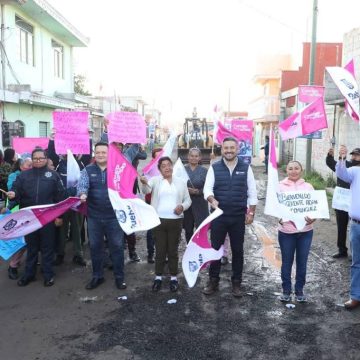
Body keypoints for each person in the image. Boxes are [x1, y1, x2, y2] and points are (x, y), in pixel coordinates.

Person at [202, 137, 257, 297]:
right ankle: (213, 281)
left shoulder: (246, 168)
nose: (229, 151)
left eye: (232, 148)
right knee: (215, 249)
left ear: (238, 149)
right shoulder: (215, 167)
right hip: (219, 216)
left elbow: (252, 192)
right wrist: (212, 199)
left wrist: (251, 212)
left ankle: (236, 283)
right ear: (222, 149)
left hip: (238, 216)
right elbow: (207, 189)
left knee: (238, 250)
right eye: (226, 148)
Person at [7, 148, 65, 287]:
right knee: (32, 247)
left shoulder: (54, 175)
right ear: (31, 160)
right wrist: (13, 195)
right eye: (35, 159)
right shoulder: (23, 176)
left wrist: (59, 216)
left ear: (46, 159)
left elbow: (60, 198)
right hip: (29, 218)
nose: (38, 161)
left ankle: (48, 274)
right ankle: (29, 274)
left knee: (47, 247)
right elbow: (16, 191)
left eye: (41, 158)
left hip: (48, 217)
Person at [140, 157, 191, 292]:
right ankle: (158, 278)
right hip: (158, 221)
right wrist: (144, 183)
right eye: (163, 166)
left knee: (173, 251)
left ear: (172, 166)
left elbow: (188, 200)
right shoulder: (155, 180)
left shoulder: (180, 182)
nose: (167, 168)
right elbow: (146, 191)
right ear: (159, 169)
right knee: (160, 251)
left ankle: (173, 278)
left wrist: (182, 206)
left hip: (175, 221)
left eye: (169, 165)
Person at [47, 133, 91, 267]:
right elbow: (51, 154)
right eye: (67, 148)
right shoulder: (59, 163)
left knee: (77, 229)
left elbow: (88, 154)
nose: (69, 151)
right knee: (62, 229)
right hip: (62, 202)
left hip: (77, 201)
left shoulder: (81, 163)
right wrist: (52, 140)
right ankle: (60, 254)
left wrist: (87, 137)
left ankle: (78, 254)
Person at [276, 160, 315, 303]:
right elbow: (275, 206)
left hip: (306, 231)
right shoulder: (279, 186)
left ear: (301, 170)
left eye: (296, 168)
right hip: (286, 231)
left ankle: (299, 290)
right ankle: (286, 290)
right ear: (286, 171)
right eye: (290, 168)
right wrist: (279, 217)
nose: (293, 171)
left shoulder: (308, 187)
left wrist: (313, 218)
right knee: (286, 262)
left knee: (302, 262)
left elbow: (314, 206)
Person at [336, 147, 360, 310]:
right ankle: (355, 296)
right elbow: (341, 174)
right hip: (356, 225)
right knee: (357, 263)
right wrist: (342, 157)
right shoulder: (355, 171)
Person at [5, 156, 32, 280]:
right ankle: (13, 265)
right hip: (18, 214)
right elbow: (14, 194)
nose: (31, 167)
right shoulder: (16, 177)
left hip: (33, 214)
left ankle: (31, 264)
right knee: (22, 242)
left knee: (32, 241)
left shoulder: (35, 176)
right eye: (28, 165)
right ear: (21, 167)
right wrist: (10, 204)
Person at [326, 145, 354, 258]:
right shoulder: (342, 165)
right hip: (341, 200)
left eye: (357, 155)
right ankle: (342, 250)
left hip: (355, 201)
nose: (355, 157)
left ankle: (355, 253)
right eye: (353, 155)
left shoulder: (355, 167)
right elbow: (330, 163)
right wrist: (330, 155)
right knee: (341, 226)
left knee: (355, 228)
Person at [183, 148, 208, 243]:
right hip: (187, 204)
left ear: (200, 157)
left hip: (200, 204)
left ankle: (200, 248)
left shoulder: (205, 171)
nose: (194, 158)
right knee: (188, 229)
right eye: (191, 156)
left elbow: (209, 187)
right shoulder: (182, 170)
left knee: (201, 229)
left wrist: (198, 192)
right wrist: (186, 190)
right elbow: (177, 185)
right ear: (188, 157)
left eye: (196, 156)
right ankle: (189, 247)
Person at [144, 147, 163, 263]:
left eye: (160, 156)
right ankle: (150, 253)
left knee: (163, 229)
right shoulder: (148, 169)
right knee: (151, 229)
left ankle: (162, 253)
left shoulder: (167, 168)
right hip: (151, 202)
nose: (158, 158)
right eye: (157, 156)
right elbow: (145, 190)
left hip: (164, 204)